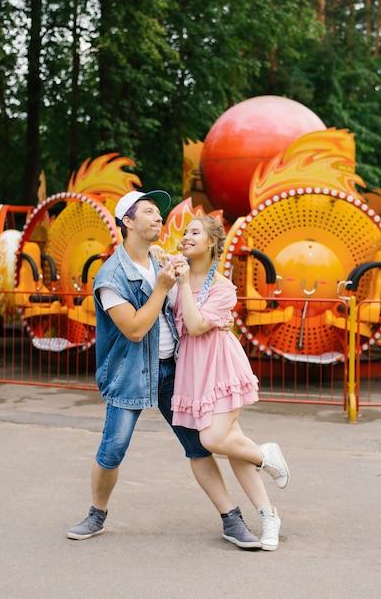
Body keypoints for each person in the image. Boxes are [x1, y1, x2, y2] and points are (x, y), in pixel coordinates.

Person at [67, 190, 288, 550]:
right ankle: (97, 513)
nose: (159, 218)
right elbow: (136, 329)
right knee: (113, 449)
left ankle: (231, 519)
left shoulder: (162, 261)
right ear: (128, 222)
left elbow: (199, 299)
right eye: (150, 212)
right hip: (131, 373)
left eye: (159, 213)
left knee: (198, 447)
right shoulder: (111, 277)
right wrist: (164, 287)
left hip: (176, 370)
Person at [168, 215, 290, 551]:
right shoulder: (174, 275)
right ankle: (268, 516)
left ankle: (264, 455)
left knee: (212, 437)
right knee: (230, 442)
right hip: (192, 372)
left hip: (221, 368)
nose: (187, 236)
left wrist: (180, 284)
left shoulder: (223, 288)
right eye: (185, 232)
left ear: (210, 243)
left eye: (195, 232)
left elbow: (193, 325)